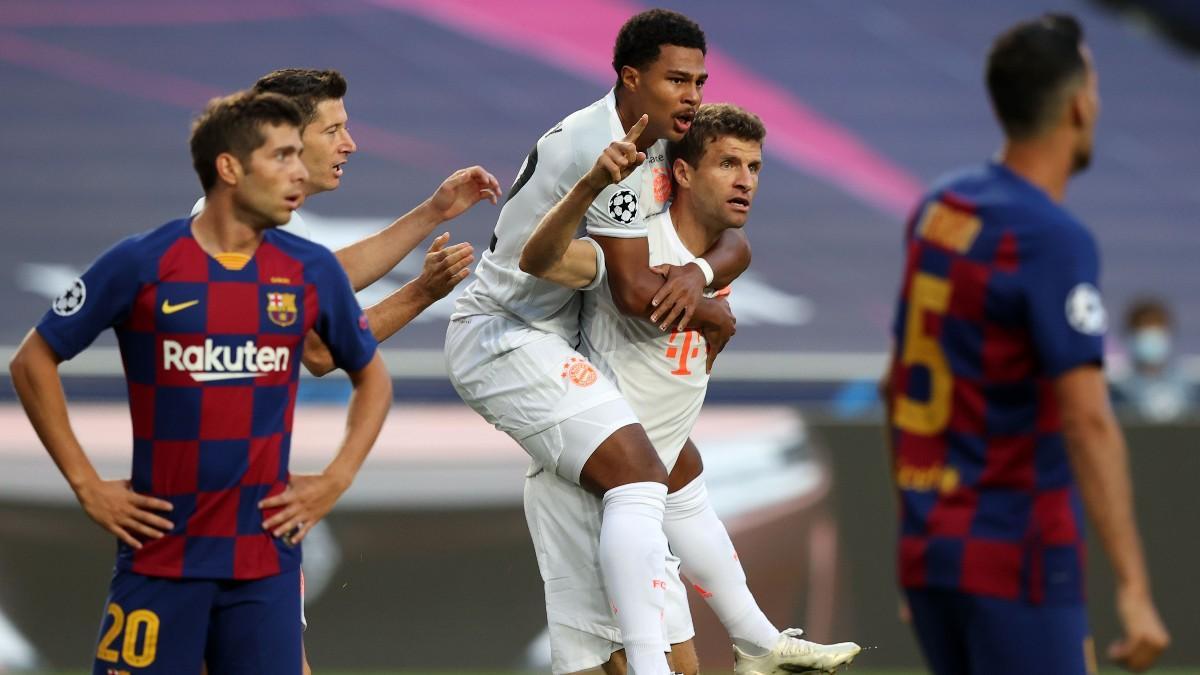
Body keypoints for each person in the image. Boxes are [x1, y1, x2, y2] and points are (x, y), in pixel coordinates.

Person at [8, 90, 392, 673]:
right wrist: (87, 485)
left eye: (298, 154)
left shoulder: (309, 271)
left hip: (265, 563)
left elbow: (371, 377)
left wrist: (336, 478)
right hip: (160, 559)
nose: (298, 172)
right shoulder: (141, 263)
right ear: (230, 168)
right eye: (282, 156)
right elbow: (32, 361)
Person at [445, 10, 751, 675]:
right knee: (645, 473)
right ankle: (724, 646)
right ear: (630, 78)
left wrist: (699, 278)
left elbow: (731, 237)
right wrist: (707, 312)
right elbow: (636, 294)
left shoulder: (665, 139)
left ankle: (744, 640)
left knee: (669, 471)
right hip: (511, 335)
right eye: (677, 79)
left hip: (575, 342)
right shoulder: (602, 147)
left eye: (699, 80)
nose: (693, 96)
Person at [521, 102, 861, 675]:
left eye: (753, 168)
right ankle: (740, 645)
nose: (745, 181)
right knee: (602, 664)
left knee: (687, 650)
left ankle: (758, 641)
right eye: (728, 164)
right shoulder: (629, 245)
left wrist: (701, 286)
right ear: (681, 173)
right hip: (596, 484)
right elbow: (550, 260)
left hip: (654, 464)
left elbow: (734, 253)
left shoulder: (721, 255)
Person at [882, 14, 1169, 675]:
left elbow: (896, 385)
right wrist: (1134, 587)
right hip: (1016, 556)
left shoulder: (939, 207)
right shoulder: (1051, 237)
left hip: (931, 554)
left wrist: (919, 530)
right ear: (1078, 103)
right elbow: (1088, 418)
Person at [194, 68, 500, 376]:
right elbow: (321, 352)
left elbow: (327, 276)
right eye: (332, 131)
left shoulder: (242, 212)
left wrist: (432, 212)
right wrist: (422, 292)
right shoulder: (247, 226)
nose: (349, 144)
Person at [1114, 298, 1193, 421]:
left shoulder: (1189, 385)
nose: (1151, 339)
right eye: (1143, 331)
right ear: (1130, 337)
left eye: (1156, 331)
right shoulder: (1118, 390)